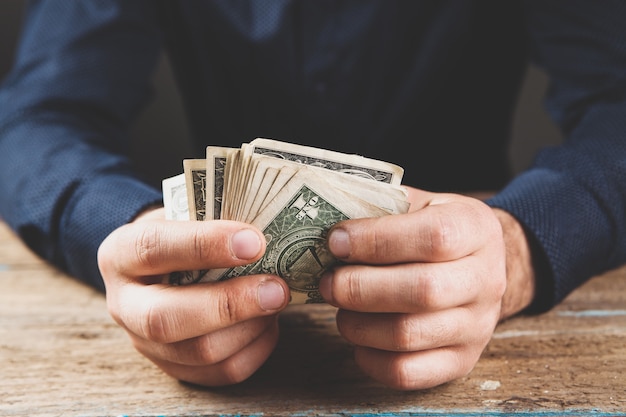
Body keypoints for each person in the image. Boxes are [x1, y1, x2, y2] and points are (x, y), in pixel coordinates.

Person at [1, 0, 625, 391]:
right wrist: (136, 231)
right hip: (227, 284)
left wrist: (514, 248)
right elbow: (35, 118)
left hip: (467, 275)